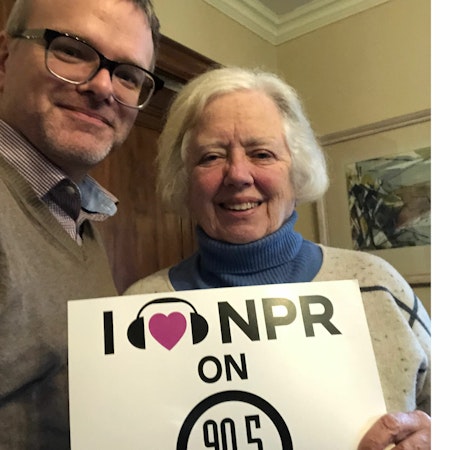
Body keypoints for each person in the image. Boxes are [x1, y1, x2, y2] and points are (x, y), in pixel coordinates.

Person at [125, 66, 431, 449]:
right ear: (184, 179)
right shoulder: (137, 311)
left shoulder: (377, 284)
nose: (238, 175)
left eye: (262, 153)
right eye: (211, 156)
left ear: (296, 171)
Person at [0, 0, 162, 448]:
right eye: (72, 50)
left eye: (129, 75)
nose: (103, 87)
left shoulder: (79, 217)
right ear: (5, 60)